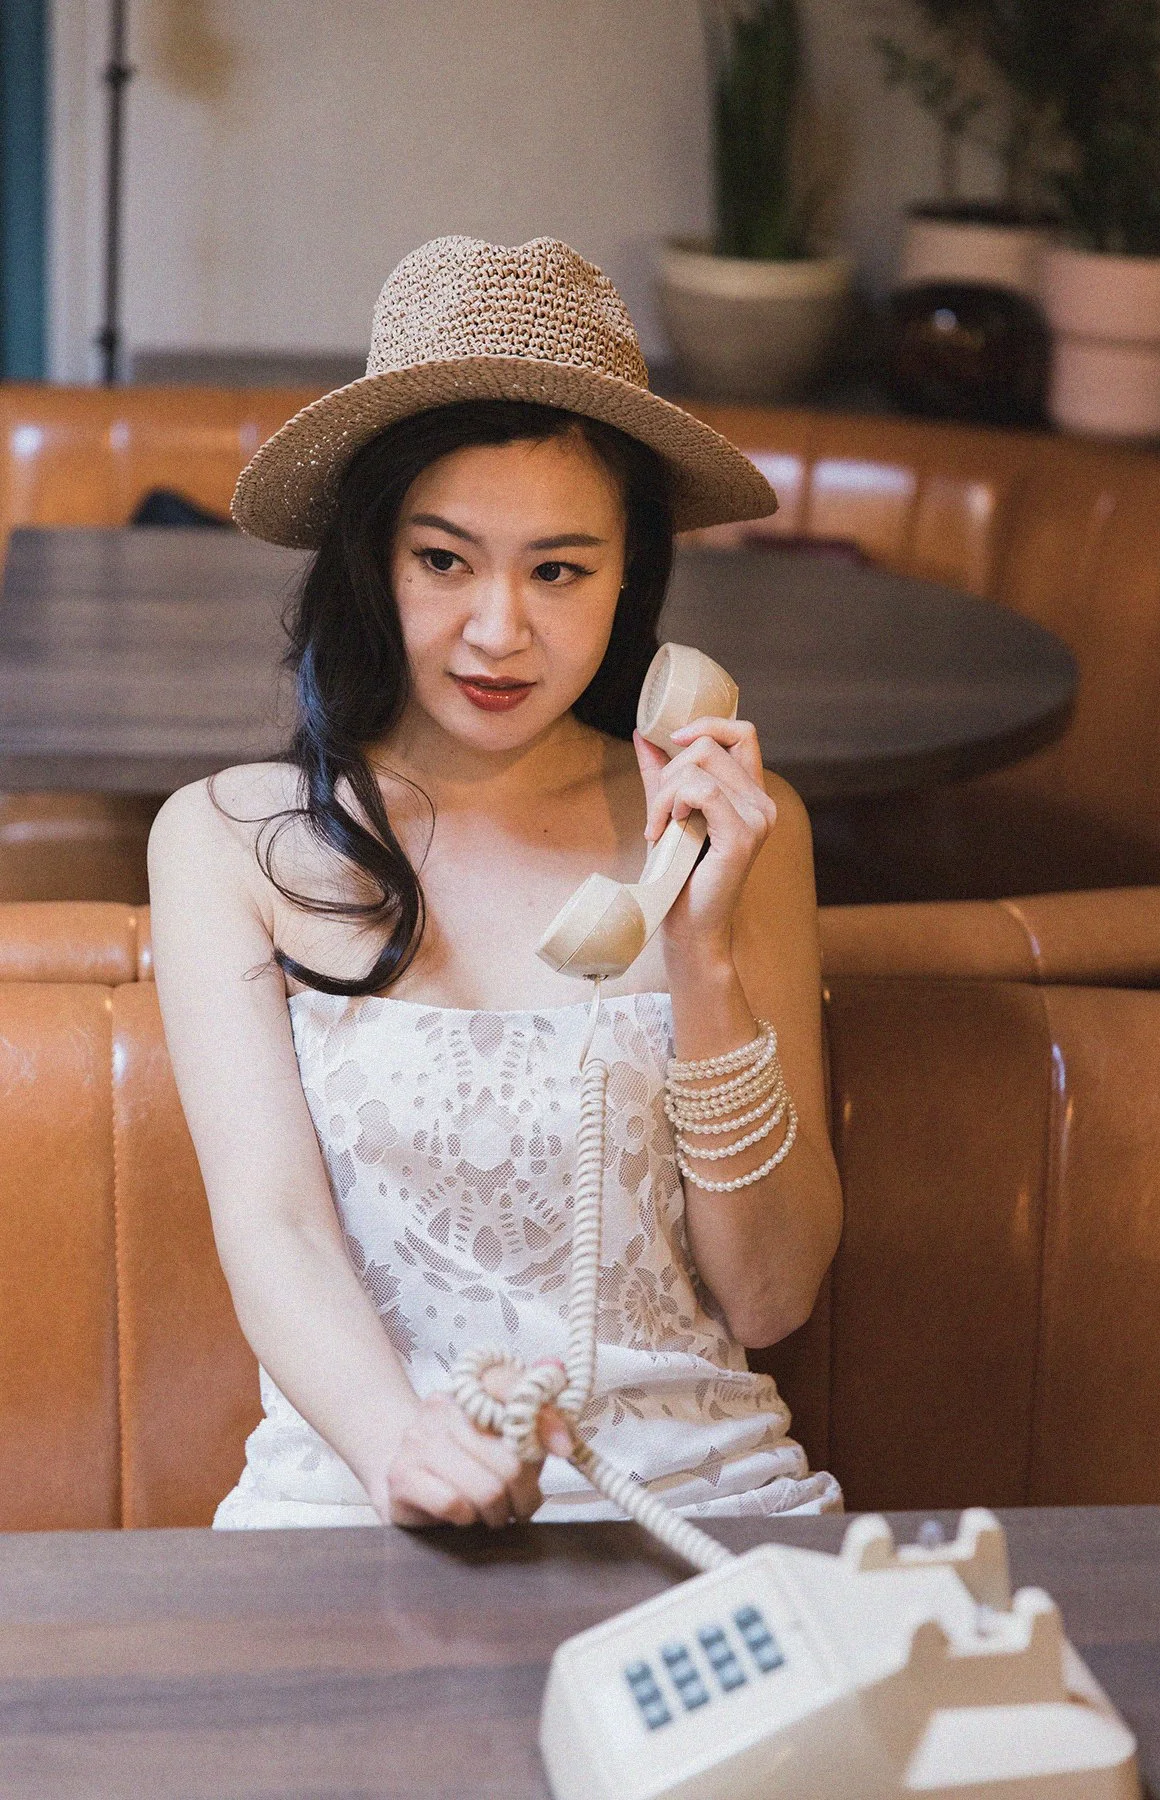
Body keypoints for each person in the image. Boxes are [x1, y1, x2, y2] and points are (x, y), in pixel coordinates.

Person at [149, 235, 844, 1530]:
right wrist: (400, 1449)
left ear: (633, 572)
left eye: (560, 569)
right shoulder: (225, 842)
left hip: (695, 1495)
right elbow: (276, 1231)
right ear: (374, 561)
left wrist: (702, 954)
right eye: (445, 559)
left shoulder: (739, 827)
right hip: (359, 1493)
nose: (499, 631)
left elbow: (772, 1297)